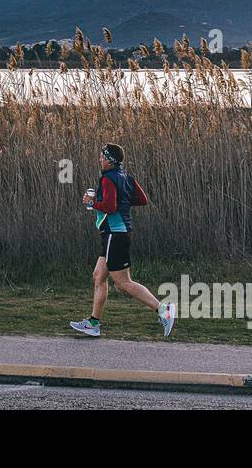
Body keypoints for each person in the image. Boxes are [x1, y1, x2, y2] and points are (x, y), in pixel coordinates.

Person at [69, 143, 175, 338]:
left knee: (123, 283)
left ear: (110, 160)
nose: (99, 159)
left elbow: (109, 207)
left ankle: (163, 310)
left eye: (102, 156)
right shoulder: (126, 176)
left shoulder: (107, 179)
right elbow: (141, 199)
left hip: (114, 234)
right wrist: (121, 202)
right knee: (98, 276)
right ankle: (93, 323)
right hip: (116, 234)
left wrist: (92, 203)